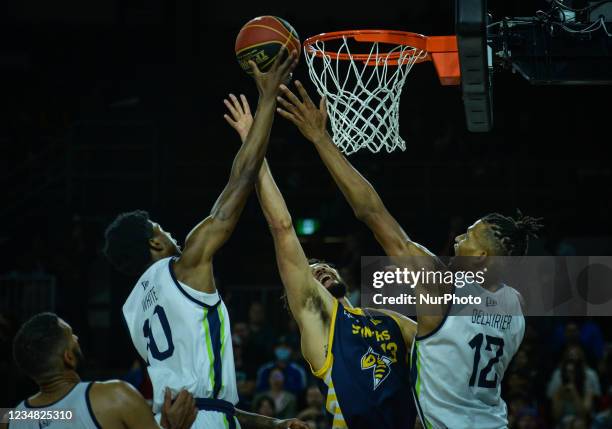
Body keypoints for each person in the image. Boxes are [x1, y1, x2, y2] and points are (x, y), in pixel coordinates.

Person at [275, 81, 539, 429]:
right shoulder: (516, 305)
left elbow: (372, 213)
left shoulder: (439, 287)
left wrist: (321, 139)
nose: (458, 239)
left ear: (483, 258)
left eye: (469, 237)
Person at [104, 49, 306, 429]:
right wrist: (265, 100)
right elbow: (242, 179)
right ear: (153, 244)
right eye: (163, 231)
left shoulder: (133, 314)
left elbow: (208, 403)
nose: (172, 235)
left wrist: (273, 426)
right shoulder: (187, 265)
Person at [224, 94, 417, 429]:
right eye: (312, 272)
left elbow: (439, 343)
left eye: (325, 266)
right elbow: (282, 228)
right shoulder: (320, 322)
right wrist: (253, 144)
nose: (322, 269)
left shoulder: (389, 320)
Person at [2, 312, 196, 429]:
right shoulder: (114, 395)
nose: (77, 338)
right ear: (68, 358)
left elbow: (61, 414)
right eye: (72, 335)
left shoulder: (12, 418)